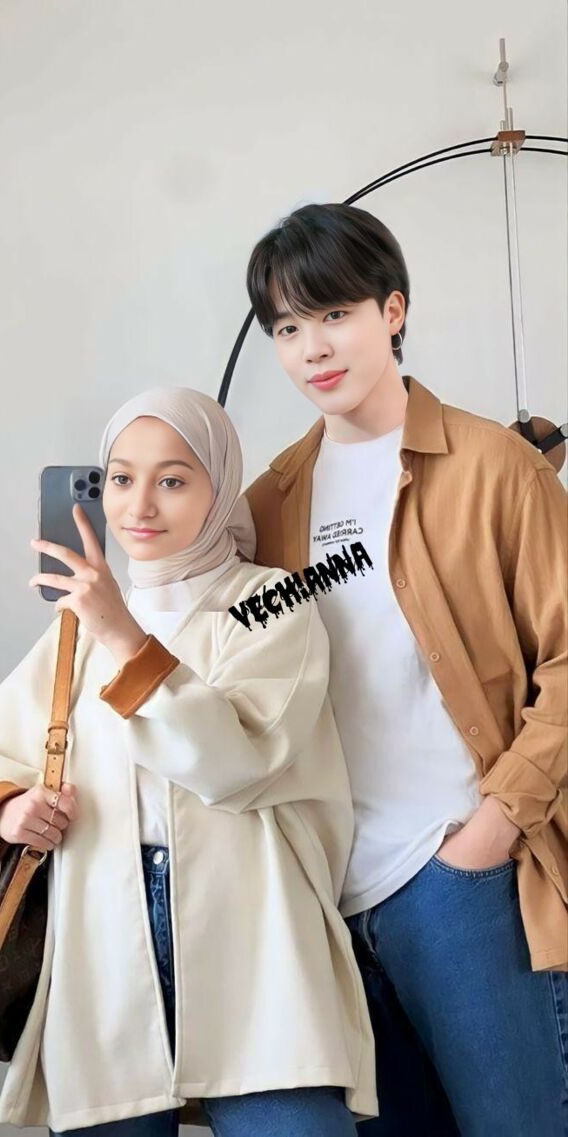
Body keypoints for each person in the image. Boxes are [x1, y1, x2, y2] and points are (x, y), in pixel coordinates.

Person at [0, 387, 377, 1135]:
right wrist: (7, 810)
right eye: (120, 478)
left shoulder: (269, 602)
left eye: (172, 479)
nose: (139, 505)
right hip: (102, 944)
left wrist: (123, 635)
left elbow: (234, 764)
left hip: (256, 937)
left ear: (219, 489)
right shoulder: (71, 633)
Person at [243, 202, 568, 1137]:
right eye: (287, 327)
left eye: (333, 313)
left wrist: (491, 829)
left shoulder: (495, 467)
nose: (312, 347)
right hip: (327, 903)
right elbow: (239, 657)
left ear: (392, 310)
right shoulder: (271, 502)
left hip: (460, 881)